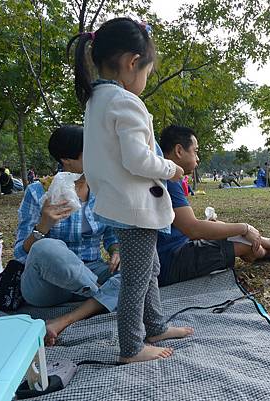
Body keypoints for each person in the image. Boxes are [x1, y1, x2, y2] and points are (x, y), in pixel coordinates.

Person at [70, 18, 192, 363]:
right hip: (135, 209)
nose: (145, 81)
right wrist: (171, 168)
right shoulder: (125, 102)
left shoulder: (96, 101)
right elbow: (139, 159)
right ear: (132, 63)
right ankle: (132, 347)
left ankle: (154, 325)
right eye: (147, 73)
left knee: (148, 269)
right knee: (136, 280)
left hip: (119, 205)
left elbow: (98, 162)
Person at [14, 126, 121, 347]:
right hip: (47, 285)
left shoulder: (103, 190)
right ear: (67, 160)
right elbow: (20, 253)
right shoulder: (38, 192)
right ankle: (103, 294)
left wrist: (116, 251)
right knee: (47, 247)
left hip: (91, 269)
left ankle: (64, 320)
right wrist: (43, 226)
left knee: (139, 265)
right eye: (89, 152)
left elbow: (111, 234)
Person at [158, 125, 270, 287]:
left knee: (224, 229)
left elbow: (186, 227)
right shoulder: (168, 179)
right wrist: (244, 228)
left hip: (173, 253)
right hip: (169, 262)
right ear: (179, 151)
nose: (198, 158)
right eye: (195, 151)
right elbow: (193, 229)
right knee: (243, 242)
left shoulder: (165, 177)